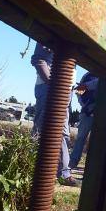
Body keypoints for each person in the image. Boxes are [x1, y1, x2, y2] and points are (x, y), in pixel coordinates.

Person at [30, 43, 76, 185]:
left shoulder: (73, 39)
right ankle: (28, 164)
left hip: (66, 90)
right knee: (42, 129)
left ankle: (62, 172)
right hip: (49, 88)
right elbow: (38, 59)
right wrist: (54, 83)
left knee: (63, 133)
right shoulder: (53, 31)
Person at [69, 71, 98, 169]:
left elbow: (98, 83)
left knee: (97, 141)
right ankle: (72, 162)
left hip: (102, 115)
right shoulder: (87, 75)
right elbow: (78, 91)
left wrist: (86, 85)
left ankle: (92, 167)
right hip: (87, 113)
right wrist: (85, 105)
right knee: (80, 138)